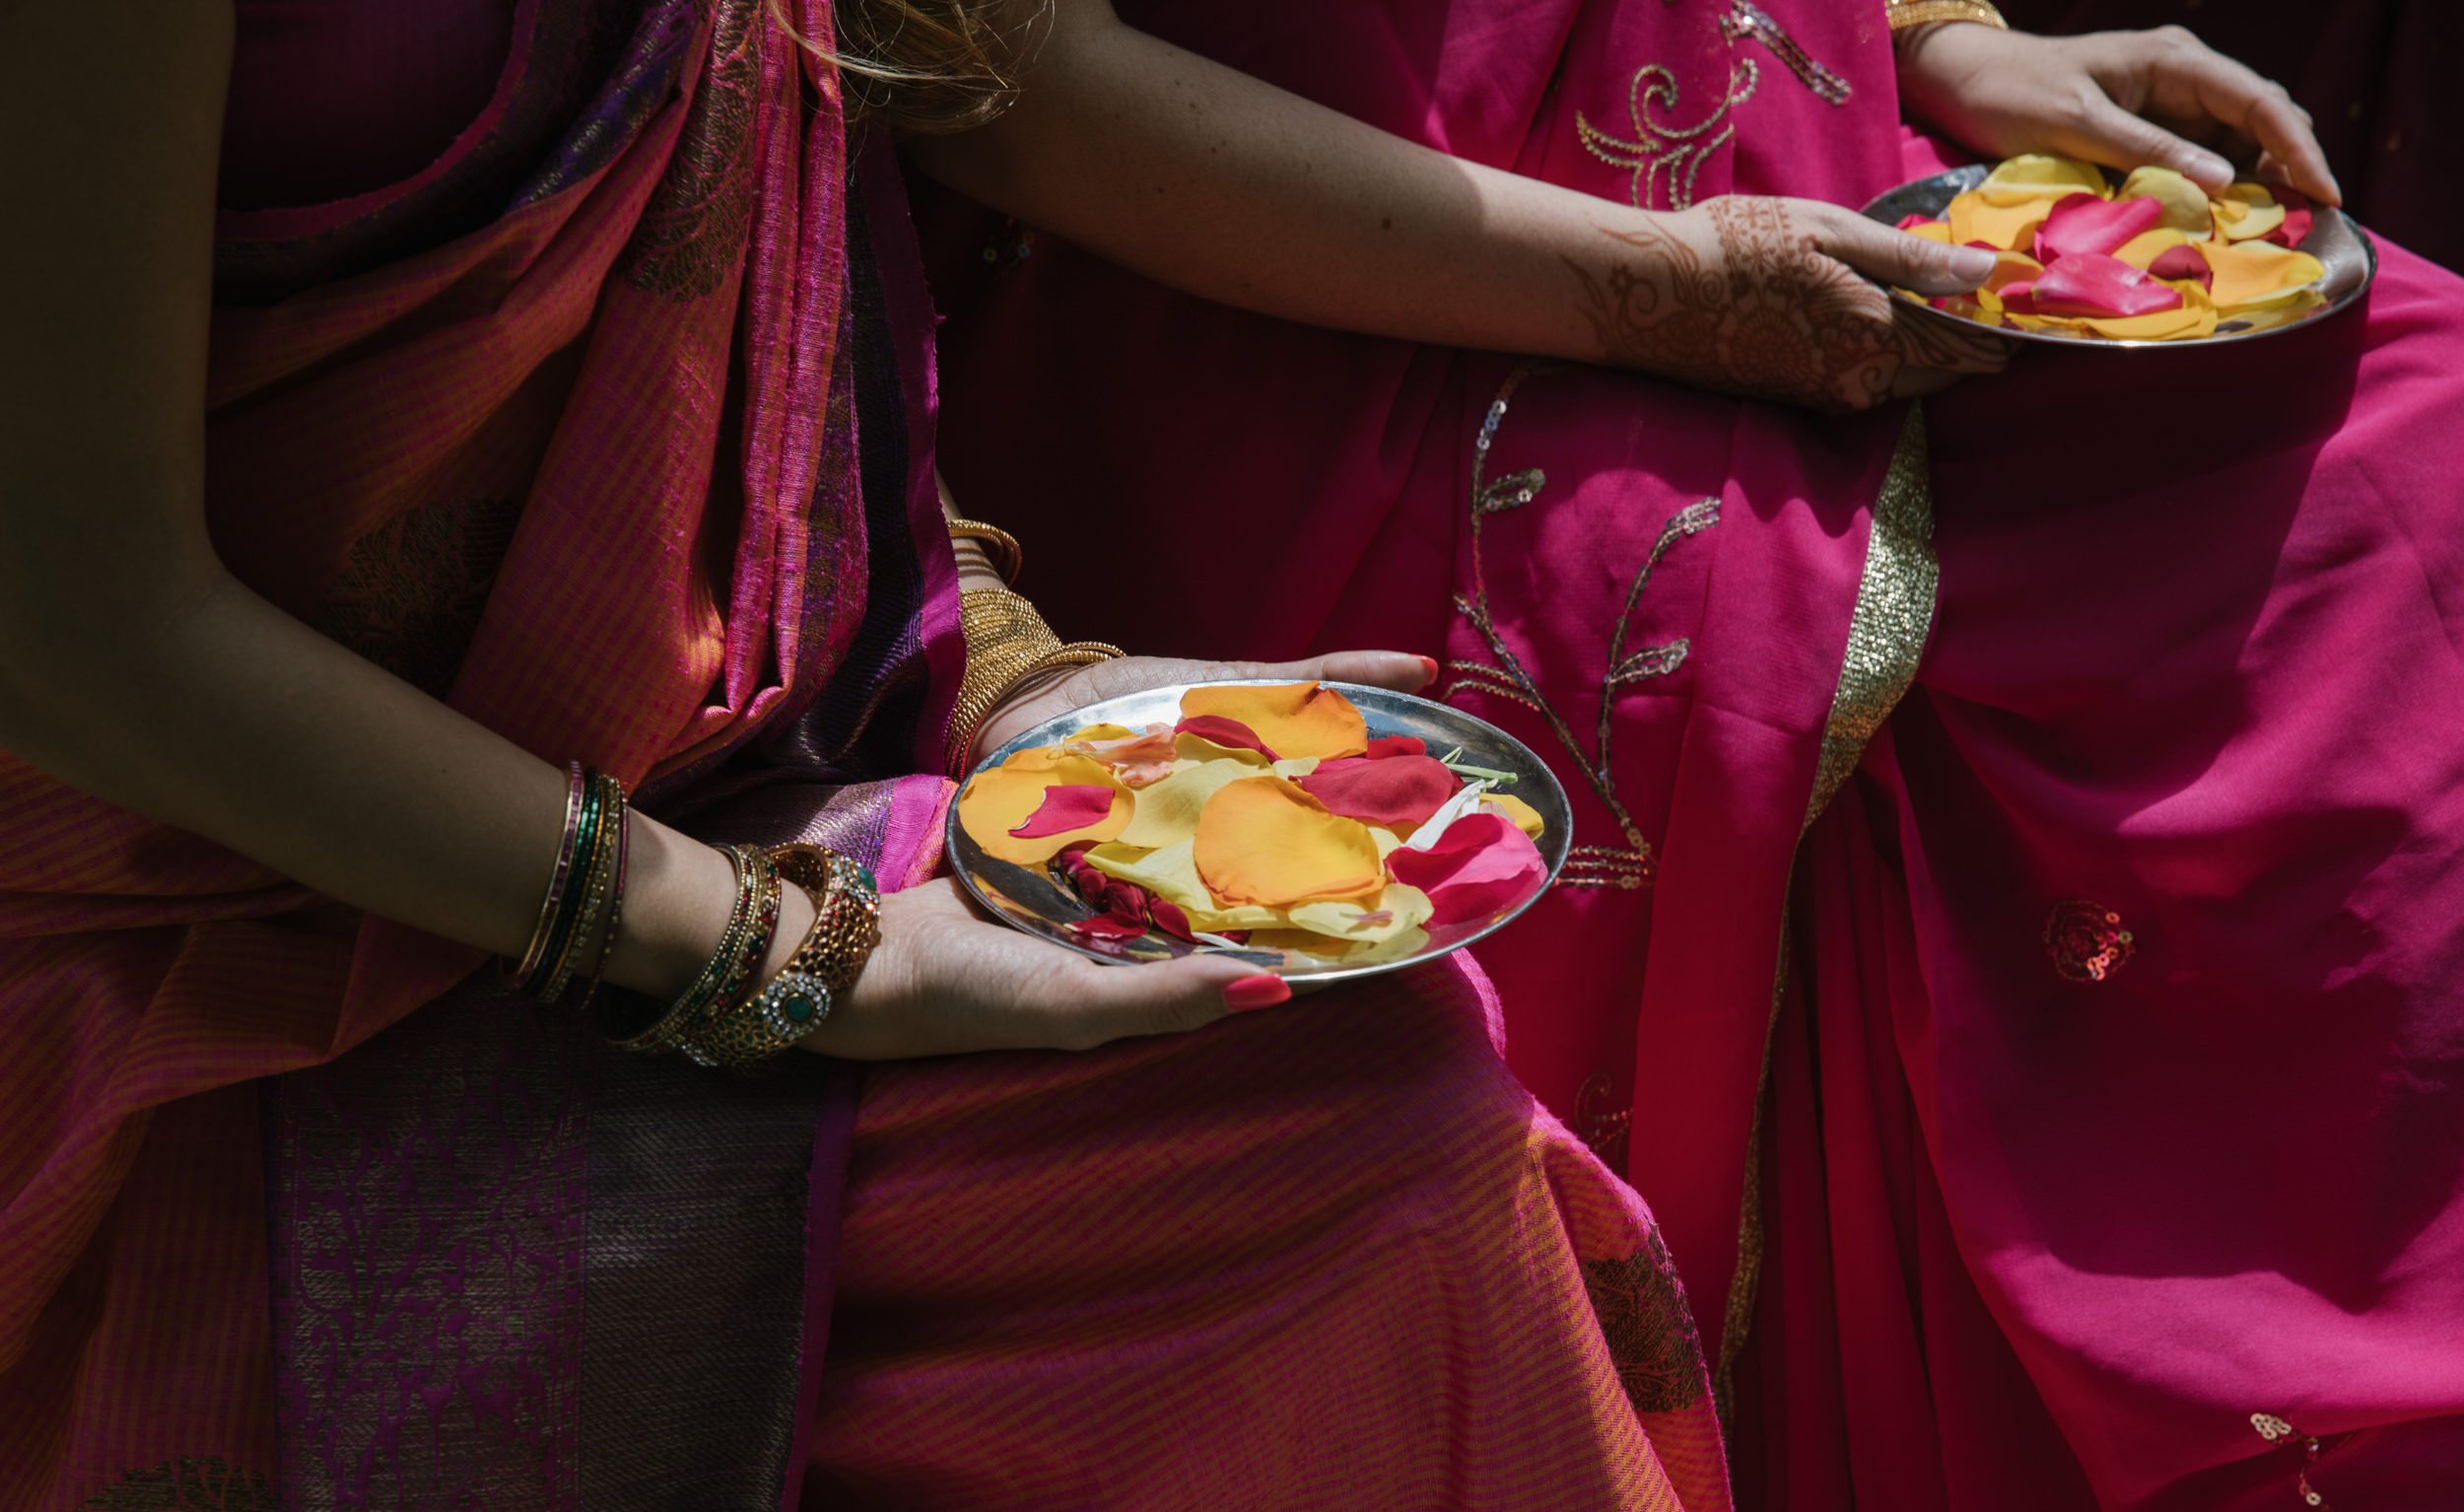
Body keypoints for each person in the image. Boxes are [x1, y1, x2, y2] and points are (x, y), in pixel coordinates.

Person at [0, 1, 1732, 1507]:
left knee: (1388, 1073)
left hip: (714, 782)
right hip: (209, 909)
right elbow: (74, 626)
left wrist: (1037, 697)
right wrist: (795, 954)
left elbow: (772, 357)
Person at [904, 0, 2464, 1504]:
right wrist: (1666, 293)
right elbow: (999, 82)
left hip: (1814, 183)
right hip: (1325, 292)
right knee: (1817, 638)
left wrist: (1943, 45)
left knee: (2411, 412)